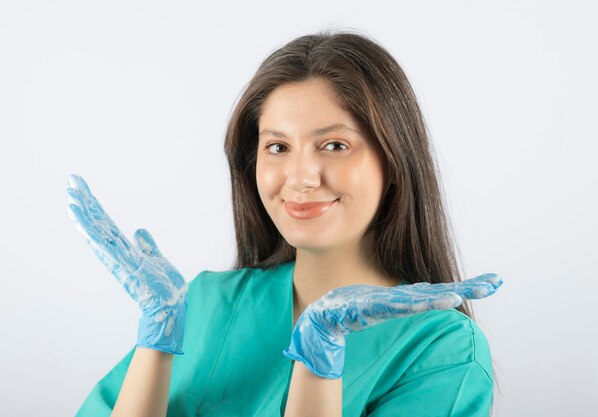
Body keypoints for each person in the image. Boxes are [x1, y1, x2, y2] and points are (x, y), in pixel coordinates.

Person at [67, 29, 503, 417]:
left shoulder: (443, 351)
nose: (300, 177)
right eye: (277, 147)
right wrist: (156, 344)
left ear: (393, 160)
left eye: (334, 145)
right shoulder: (201, 304)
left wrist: (320, 355)